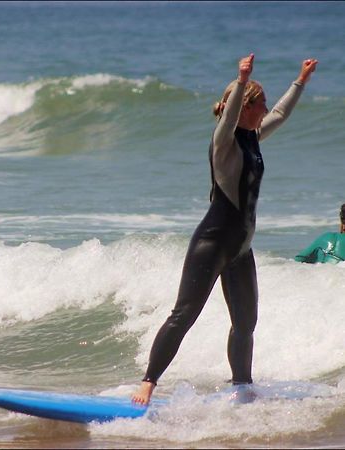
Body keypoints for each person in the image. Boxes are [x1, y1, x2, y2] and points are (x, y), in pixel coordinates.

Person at [132, 54, 319, 405]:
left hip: (240, 249)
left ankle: (241, 389)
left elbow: (279, 114)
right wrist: (242, 79)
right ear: (245, 106)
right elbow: (229, 117)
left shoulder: (253, 137)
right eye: (259, 103)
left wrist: (301, 81)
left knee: (246, 322)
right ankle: (148, 382)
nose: (265, 109)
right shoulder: (224, 144)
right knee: (184, 314)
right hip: (212, 243)